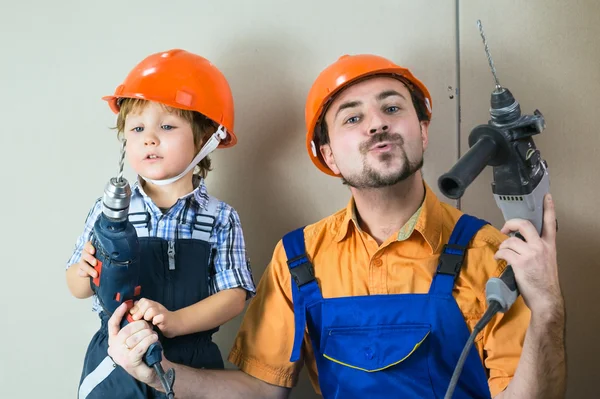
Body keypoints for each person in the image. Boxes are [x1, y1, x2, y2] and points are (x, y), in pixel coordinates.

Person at [106, 54, 566, 399]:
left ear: (422, 131)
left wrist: (547, 309)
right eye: (352, 118)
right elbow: (261, 390)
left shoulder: (488, 252)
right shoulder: (298, 258)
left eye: (392, 109)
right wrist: (159, 372)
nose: (376, 126)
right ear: (327, 155)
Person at [65, 49, 256, 398]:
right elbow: (76, 287)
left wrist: (175, 321)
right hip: (115, 360)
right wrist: (82, 272)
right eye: (137, 128)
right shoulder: (108, 212)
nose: (149, 138)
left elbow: (233, 296)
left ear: (206, 137)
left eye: (166, 126)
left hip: (192, 363)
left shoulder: (220, 217)